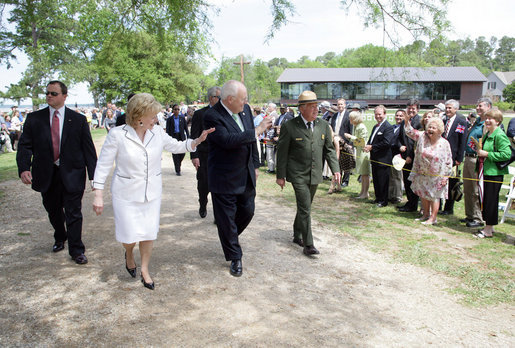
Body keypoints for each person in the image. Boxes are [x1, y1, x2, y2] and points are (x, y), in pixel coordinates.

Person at [92, 93, 214, 289]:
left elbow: (176, 146)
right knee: (129, 236)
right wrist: (98, 193)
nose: (156, 119)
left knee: (149, 232)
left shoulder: (156, 132)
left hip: (152, 193)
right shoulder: (117, 135)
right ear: (139, 115)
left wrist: (197, 141)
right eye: (153, 115)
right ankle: (129, 252)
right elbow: (103, 165)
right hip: (126, 194)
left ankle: (145, 270)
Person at [16, 80, 97, 264]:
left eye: (53, 93)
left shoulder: (78, 120)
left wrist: (94, 177)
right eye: (47, 93)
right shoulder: (34, 119)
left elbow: (88, 151)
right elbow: (24, 146)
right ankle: (60, 236)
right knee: (52, 209)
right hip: (46, 173)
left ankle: (76, 249)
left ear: (64, 96)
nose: (49, 96)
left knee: (73, 211)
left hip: (72, 173)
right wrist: (23, 168)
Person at [203, 80, 272, 277]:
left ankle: (229, 237)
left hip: (246, 174)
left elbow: (252, 143)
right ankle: (235, 257)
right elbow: (226, 141)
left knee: (248, 211)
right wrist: (257, 131)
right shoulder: (212, 116)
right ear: (230, 99)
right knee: (226, 219)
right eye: (242, 99)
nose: (245, 102)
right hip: (224, 178)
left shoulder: (246, 110)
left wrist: (256, 165)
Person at [276, 91, 340, 256]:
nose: (316, 109)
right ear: (302, 108)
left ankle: (297, 234)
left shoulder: (323, 125)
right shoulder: (289, 126)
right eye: (312, 106)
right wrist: (280, 175)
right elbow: (282, 153)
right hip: (297, 174)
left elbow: (329, 150)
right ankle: (308, 244)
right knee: (305, 208)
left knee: (305, 206)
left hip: (315, 174)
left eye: (316, 106)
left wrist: (336, 170)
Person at [404, 115, 452, 225]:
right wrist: (407, 121)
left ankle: (433, 218)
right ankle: (425, 214)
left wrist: (446, 176)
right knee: (423, 194)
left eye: (433, 128)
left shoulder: (444, 143)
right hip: (422, 172)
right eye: (429, 127)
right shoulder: (422, 137)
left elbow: (449, 161)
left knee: (434, 196)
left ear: (439, 130)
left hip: (437, 175)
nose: (430, 130)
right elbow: (410, 132)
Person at [472, 110, 512, 238]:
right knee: (485, 199)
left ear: (498, 121)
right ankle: (489, 226)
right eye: (487, 118)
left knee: (490, 201)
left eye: (491, 119)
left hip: (494, 173)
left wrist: (487, 154)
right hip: (484, 171)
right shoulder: (488, 133)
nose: (487, 121)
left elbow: (506, 154)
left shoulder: (499, 135)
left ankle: (488, 229)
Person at [190, 86, 221, 218]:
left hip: (220, 155)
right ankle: (203, 204)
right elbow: (194, 136)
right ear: (211, 98)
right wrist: (194, 156)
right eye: (218, 97)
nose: (220, 100)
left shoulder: (225, 113)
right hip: (204, 155)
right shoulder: (199, 114)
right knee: (203, 183)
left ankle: (218, 214)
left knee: (220, 186)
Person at [461, 98, 492, 228]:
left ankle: (478, 218)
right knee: (467, 188)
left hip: (477, 159)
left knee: (476, 190)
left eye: (480, 106)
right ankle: (469, 215)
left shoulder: (489, 122)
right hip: (468, 157)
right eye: (477, 106)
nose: (477, 108)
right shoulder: (477, 121)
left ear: (488, 107)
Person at [439, 99, 467, 216]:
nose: (448, 110)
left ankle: (449, 207)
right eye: (446, 108)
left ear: (456, 109)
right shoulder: (443, 120)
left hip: (453, 157)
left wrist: (459, 159)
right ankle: (438, 205)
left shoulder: (461, 121)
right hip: (441, 156)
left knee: (451, 183)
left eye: (450, 108)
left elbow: (462, 141)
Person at [364, 105, 394, 207]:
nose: (378, 116)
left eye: (380, 114)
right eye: (376, 114)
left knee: (383, 181)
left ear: (384, 114)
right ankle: (378, 198)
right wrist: (367, 145)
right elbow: (371, 140)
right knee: (376, 180)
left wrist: (372, 147)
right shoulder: (375, 126)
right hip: (375, 158)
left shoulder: (388, 127)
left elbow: (387, 143)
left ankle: (383, 201)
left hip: (383, 159)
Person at [397, 100, 422, 212]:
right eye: (409, 108)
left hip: (413, 158)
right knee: (406, 181)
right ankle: (409, 202)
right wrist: (400, 147)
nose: (411, 110)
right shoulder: (404, 121)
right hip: (403, 157)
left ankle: (413, 204)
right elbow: (399, 137)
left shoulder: (419, 122)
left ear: (417, 109)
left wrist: (410, 156)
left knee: (412, 182)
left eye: (413, 108)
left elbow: (416, 142)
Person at [344, 111, 370, 199]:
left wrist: (350, 137)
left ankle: (365, 193)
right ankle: (362, 192)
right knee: (362, 174)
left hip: (363, 152)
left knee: (365, 174)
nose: (349, 120)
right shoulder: (357, 126)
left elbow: (362, 141)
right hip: (359, 151)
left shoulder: (361, 127)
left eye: (351, 118)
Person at [330, 98, 352, 188]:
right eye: (338, 104)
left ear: (345, 105)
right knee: (337, 162)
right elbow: (331, 128)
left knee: (346, 162)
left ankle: (345, 181)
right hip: (335, 142)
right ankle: (337, 180)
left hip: (345, 142)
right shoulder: (335, 116)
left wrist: (350, 144)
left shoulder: (348, 115)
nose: (340, 106)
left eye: (341, 104)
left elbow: (351, 131)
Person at [165, 104, 189, 175]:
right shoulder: (170, 119)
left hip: (181, 137)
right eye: (175, 109)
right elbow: (168, 130)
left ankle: (178, 163)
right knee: (175, 153)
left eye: (178, 109)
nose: (177, 111)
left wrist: (188, 137)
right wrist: (168, 139)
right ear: (173, 110)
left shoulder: (182, 118)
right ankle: (178, 170)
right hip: (173, 137)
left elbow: (186, 129)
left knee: (182, 152)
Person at [389, 109, 405, 204]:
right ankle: (391, 195)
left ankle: (398, 196)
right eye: (397, 115)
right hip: (390, 154)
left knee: (398, 176)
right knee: (391, 176)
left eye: (401, 116)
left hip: (399, 155)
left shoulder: (404, 128)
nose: (398, 117)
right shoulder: (392, 127)